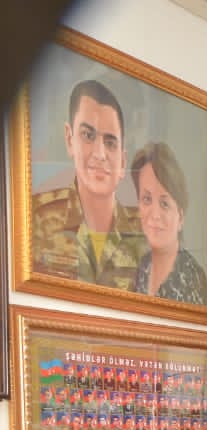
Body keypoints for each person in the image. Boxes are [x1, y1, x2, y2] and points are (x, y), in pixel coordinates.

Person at [31, 79, 145, 288]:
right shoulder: (34, 218)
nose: (100, 154)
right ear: (69, 139)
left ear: (122, 161)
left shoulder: (146, 233)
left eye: (110, 143)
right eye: (88, 136)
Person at [129, 142, 207, 305]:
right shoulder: (142, 267)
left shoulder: (193, 281)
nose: (155, 215)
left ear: (180, 217)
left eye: (164, 204)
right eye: (147, 199)